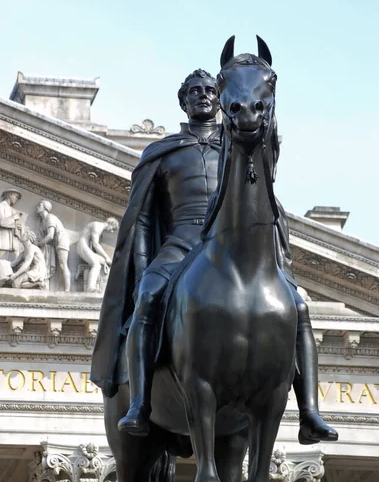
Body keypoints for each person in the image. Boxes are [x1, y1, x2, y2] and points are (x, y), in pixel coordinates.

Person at [91, 70, 337, 445]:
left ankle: (309, 411)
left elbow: (263, 194)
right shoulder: (163, 152)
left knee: (298, 307)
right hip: (179, 244)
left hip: (229, 242)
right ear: (183, 101)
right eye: (194, 92)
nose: (203, 97)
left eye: (209, 91)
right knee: (147, 299)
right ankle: (140, 403)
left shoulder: (239, 144)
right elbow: (141, 220)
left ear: (220, 99)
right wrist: (143, 272)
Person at [36, 200, 71, 292]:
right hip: (55, 243)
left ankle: (67, 290)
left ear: (45, 207)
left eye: (39, 205)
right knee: (61, 267)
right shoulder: (43, 221)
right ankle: (61, 288)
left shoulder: (50, 217)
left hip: (61, 241)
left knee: (63, 265)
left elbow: (50, 236)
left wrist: (39, 244)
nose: (37, 207)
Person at [77, 218, 119, 292]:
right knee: (96, 265)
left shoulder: (99, 228)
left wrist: (106, 259)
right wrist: (107, 257)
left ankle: (83, 267)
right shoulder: (97, 226)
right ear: (110, 223)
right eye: (113, 228)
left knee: (103, 262)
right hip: (82, 246)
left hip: (86, 247)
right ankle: (90, 287)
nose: (111, 231)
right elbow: (95, 244)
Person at [0, 189, 24, 260]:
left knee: (14, 264)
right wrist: (14, 217)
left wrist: (19, 227)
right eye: (16, 196)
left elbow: (14, 224)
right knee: (0, 263)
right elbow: (2, 222)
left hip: (13, 242)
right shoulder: (1, 206)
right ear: (9, 195)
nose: (16, 199)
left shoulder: (12, 209)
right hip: (3, 241)